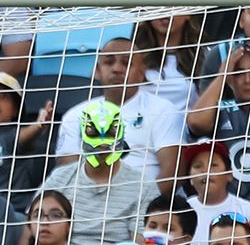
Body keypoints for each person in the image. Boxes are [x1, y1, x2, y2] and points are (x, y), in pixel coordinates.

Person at [56, 36, 185, 194]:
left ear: (141, 72)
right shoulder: (75, 116)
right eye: (109, 62)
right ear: (97, 71)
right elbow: (67, 174)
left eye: (126, 63)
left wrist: (140, 207)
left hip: (147, 208)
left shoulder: (163, 110)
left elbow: (173, 173)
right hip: (88, 206)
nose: (117, 69)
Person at [41, 100, 149, 245]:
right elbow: (33, 227)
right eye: (93, 133)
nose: (103, 143)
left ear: (122, 135)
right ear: (82, 135)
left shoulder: (144, 186)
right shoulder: (60, 178)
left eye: (111, 133)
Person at [188, 45, 250, 201]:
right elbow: (196, 123)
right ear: (230, 79)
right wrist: (222, 76)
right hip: (230, 207)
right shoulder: (220, 111)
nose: (248, 80)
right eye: (239, 73)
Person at [0, 71, 56, 212]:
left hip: (13, 215)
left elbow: (23, 137)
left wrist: (38, 125)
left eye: (3, 96)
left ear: (16, 110)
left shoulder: (11, 137)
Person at [177, 141, 250, 245]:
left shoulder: (248, 210)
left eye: (213, 165)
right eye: (198, 166)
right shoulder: (181, 210)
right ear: (190, 178)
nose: (205, 171)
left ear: (229, 175)